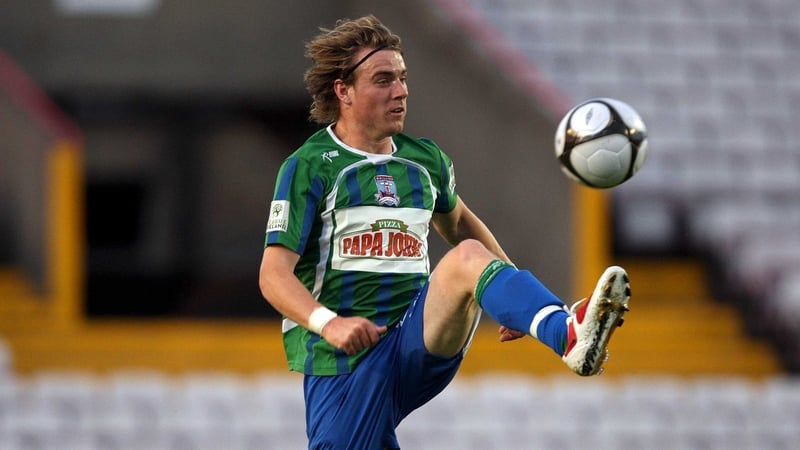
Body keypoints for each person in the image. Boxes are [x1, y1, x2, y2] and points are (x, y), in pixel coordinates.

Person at [258, 15, 631, 449]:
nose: (401, 91)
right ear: (344, 91)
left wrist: (512, 299)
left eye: (402, 78)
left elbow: (462, 225)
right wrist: (330, 324)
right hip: (345, 360)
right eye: (383, 80)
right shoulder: (309, 166)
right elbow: (273, 275)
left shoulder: (425, 160)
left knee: (467, 256)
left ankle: (563, 330)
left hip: (415, 338)